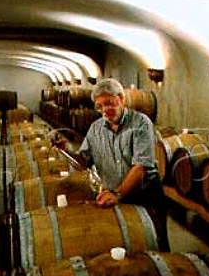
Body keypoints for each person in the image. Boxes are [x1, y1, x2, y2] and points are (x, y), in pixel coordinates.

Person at [53, 78, 170, 251]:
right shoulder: (95, 128)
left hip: (144, 195)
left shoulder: (141, 123)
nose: (105, 110)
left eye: (109, 103)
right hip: (114, 197)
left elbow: (141, 167)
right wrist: (66, 151)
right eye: (99, 106)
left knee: (156, 245)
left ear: (122, 99)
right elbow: (84, 162)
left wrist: (118, 193)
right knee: (127, 246)